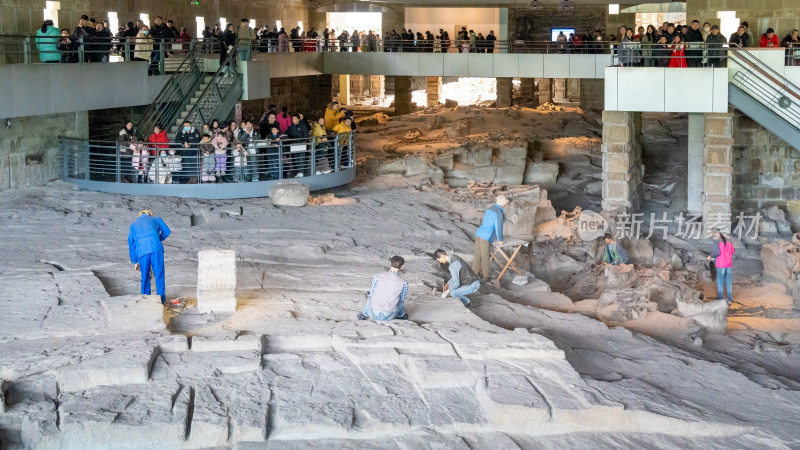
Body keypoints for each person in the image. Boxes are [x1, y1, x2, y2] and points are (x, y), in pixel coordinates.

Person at [128, 210, 171, 304]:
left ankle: (145, 299)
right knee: (159, 274)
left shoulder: (133, 225)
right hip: (156, 249)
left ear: (139, 216)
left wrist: (135, 261)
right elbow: (167, 231)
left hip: (142, 251)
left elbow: (131, 244)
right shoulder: (157, 219)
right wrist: (157, 239)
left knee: (145, 275)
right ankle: (161, 300)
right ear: (150, 214)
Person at [358, 256, 409, 321]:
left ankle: (363, 315)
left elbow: (372, 292)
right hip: (388, 316)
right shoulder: (404, 283)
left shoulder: (378, 276)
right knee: (400, 301)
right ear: (402, 267)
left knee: (370, 296)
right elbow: (402, 299)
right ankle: (401, 316)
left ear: (390, 263)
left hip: (372, 314)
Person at [473, 195, 508, 281]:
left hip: (479, 234)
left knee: (478, 255)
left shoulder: (490, 209)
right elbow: (498, 228)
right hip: (485, 237)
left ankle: (474, 274)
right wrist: (500, 240)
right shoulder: (499, 213)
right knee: (485, 257)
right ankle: (486, 277)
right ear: (503, 204)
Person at [707, 229, 735, 305]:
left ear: (715, 233)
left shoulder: (716, 240)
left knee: (720, 281)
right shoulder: (729, 238)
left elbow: (716, 253)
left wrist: (710, 256)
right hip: (728, 263)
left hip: (720, 264)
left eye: (713, 233)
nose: (713, 235)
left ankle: (720, 298)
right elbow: (732, 251)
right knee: (728, 281)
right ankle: (729, 299)